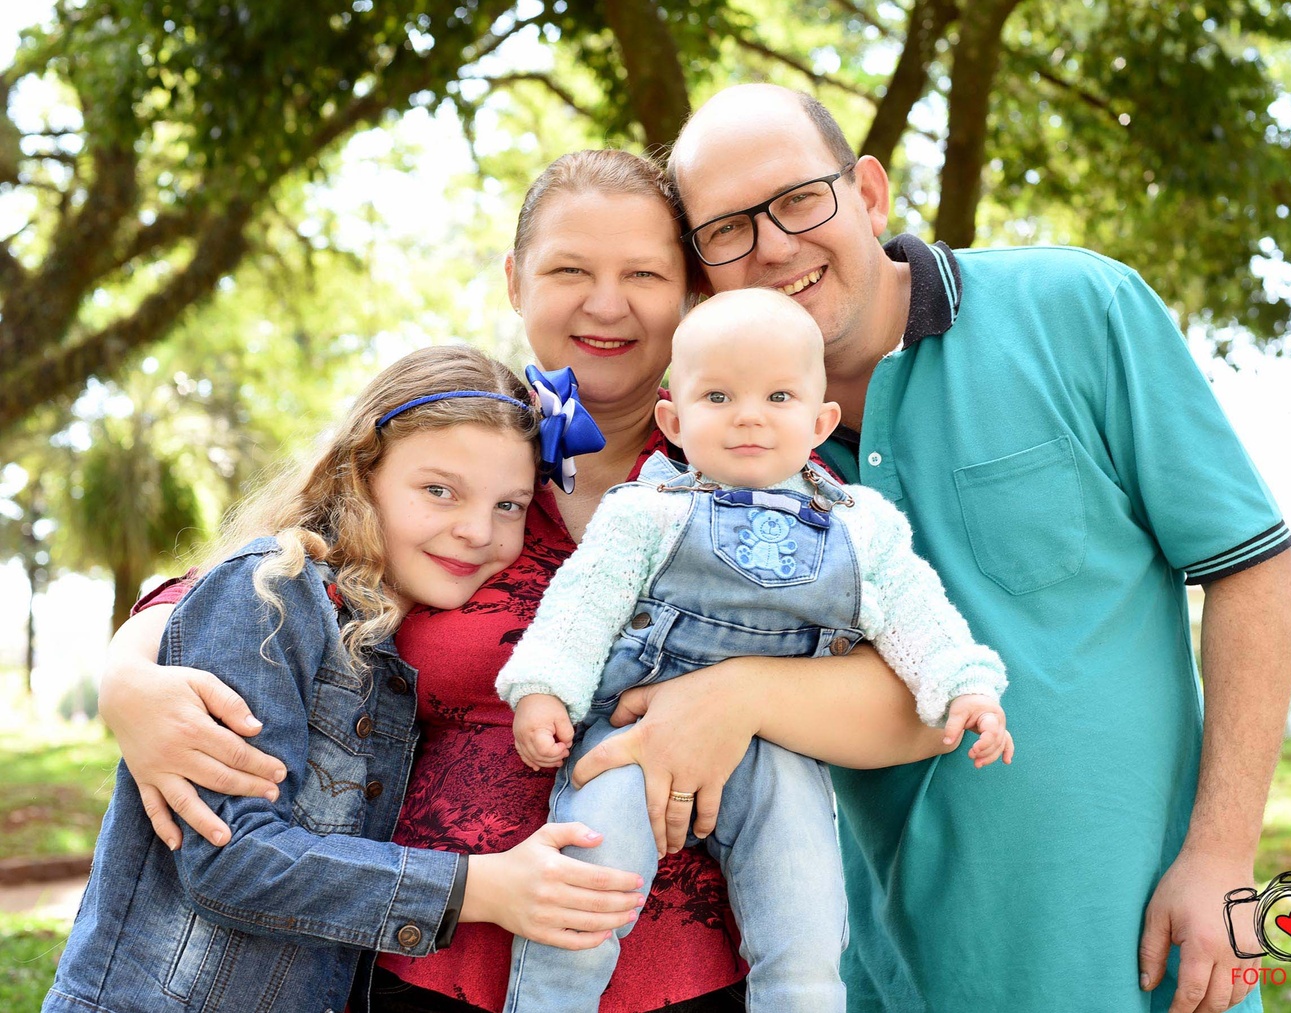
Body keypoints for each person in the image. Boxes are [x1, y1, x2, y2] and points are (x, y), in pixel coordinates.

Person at [98, 149, 957, 1013]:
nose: (606, 304)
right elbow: (286, 564)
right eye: (570, 270)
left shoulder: (768, 464)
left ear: (691, 292)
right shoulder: (467, 454)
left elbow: (917, 690)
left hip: (690, 975)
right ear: (516, 280)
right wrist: (127, 674)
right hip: (425, 962)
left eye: (644, 274)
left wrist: (739, 696)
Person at [558, 84, 1291, 1013]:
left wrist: (1223, 854)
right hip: (893, 973)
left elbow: (1254, 572)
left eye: (799, 199)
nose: (775, 246)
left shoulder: (1077, 307)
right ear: (703, 273)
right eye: (728, 230)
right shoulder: (726, 464)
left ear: (869, 194)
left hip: (1138, 955)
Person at [46, 346, 652, 1013]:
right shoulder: (275, 594)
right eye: (439, 491)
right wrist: (482, 887)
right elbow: (227, 857)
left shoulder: (387, 637)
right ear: (361, 474)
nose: (478, 531)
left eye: (509, 505)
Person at [497, 288, 1012, 1012]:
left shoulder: (863, 527)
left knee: (806, 923)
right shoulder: (646, 511)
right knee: (583, 893)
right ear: (674, 421)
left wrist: (965, 686)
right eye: (718, 396)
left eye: (778, 396)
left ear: (820, 420)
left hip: (782, 750)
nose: (748, 415)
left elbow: (918, 614)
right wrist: (545, 687)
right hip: (632, 737)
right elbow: (584, 602)